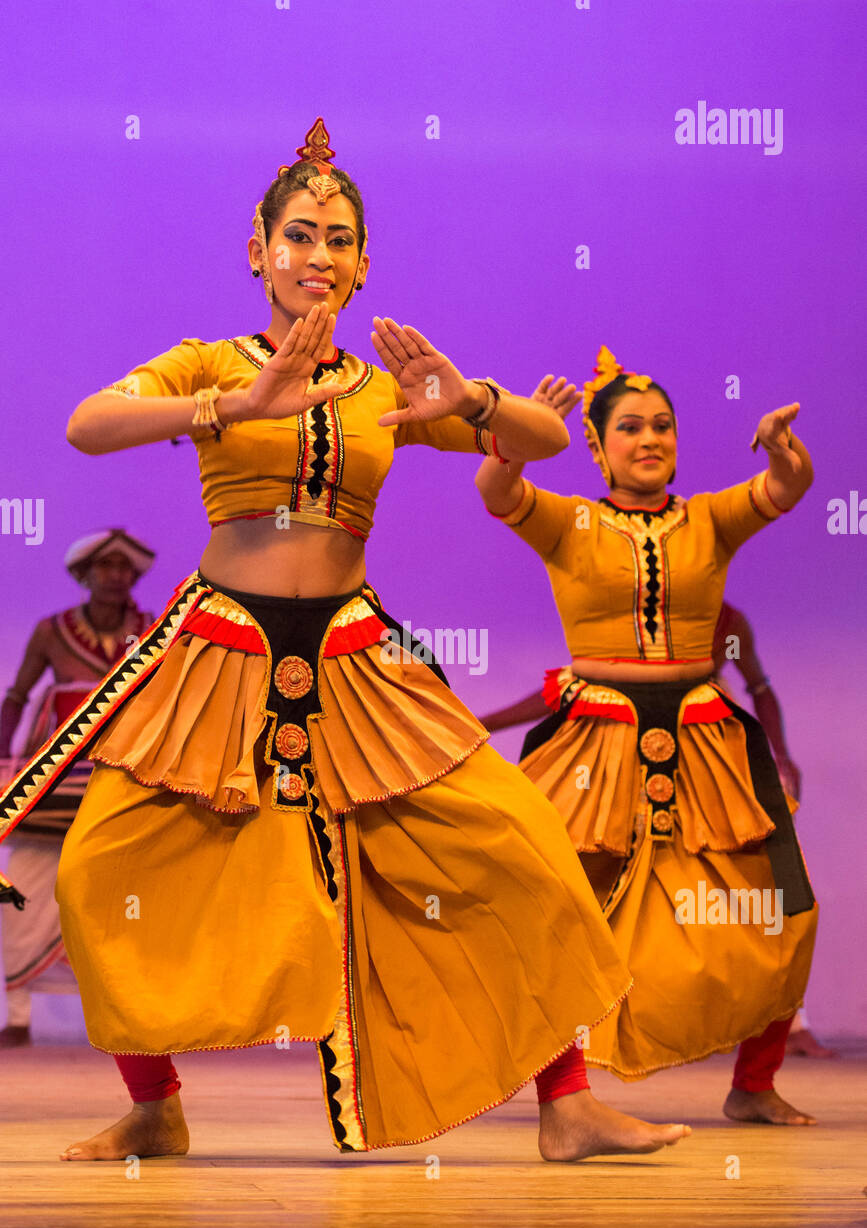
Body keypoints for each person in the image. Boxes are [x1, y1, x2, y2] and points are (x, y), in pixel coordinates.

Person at [0, 122, 690, 1164]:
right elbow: (87, 425)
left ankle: (569, 1103)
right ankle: (155, 1103)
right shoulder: (207, 361)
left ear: (365, 263)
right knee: (100, 866)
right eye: (299, 234)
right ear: (256, 248)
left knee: (520, 845)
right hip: (219, 647)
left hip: (357, 653)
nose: (318, 255)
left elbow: (546, 442)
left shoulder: (382, 388)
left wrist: (468, 404)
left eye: (339, 239)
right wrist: (234, 404)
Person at [476, 347, 819, 1125]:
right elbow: (495, 489)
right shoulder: (570, 520)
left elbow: (786, 488)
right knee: (560, 906)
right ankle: (565, 1099)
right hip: (593, 740)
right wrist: (518, 437)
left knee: (779, 907)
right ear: (596, 448)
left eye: (662, 425)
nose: (649, 438)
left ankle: (753, 1085)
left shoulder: (709, 518)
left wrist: (780, 450)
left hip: (704, 739)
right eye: (628, 428)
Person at [0, 531, 154, 1047]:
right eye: (104, 567)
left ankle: (130, 1014)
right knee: (22, 888)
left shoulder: (153, 630)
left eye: (123, 568)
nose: (115, 576)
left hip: (127, 779)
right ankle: (18, 1016)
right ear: (84, 575)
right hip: (56, 781)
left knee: (127, 896)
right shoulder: (51, 630)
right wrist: (4, 760)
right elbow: (18, 696)